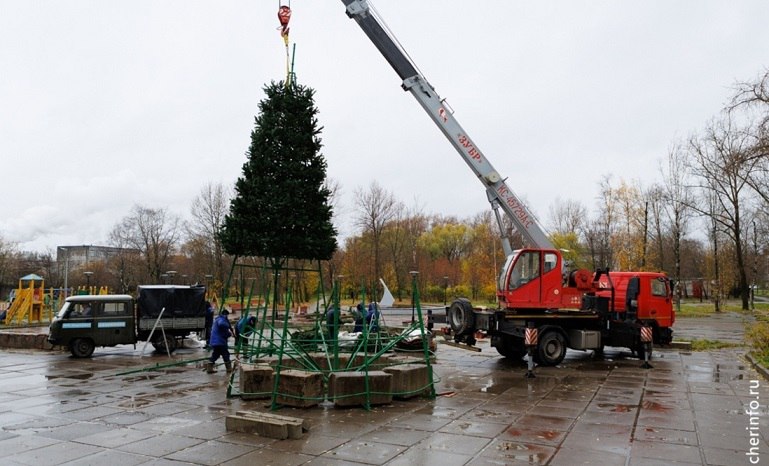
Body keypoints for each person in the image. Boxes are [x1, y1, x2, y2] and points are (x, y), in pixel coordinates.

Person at [205, 309, 233, 374]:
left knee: (216, 354)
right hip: (220, 341)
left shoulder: (217, 319)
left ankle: (209, 368)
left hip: (214, 341)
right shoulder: (222, 319)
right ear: (226, 315)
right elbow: (222, 325)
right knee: (225, 354)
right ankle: (229, 369)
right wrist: (228, 331)